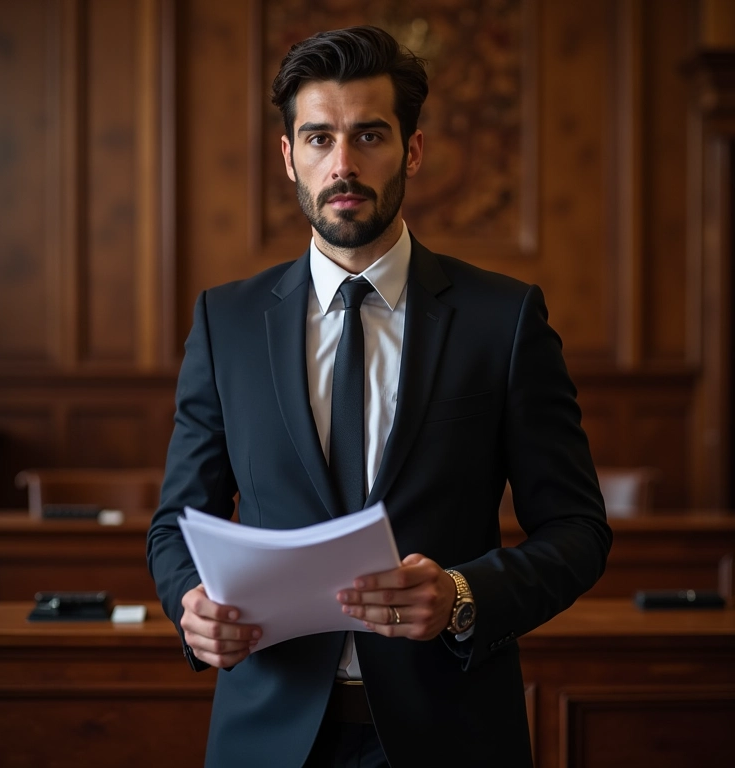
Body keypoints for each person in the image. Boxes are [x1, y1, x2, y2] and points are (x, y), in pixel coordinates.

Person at [147, 24, 612, 768]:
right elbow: (176, 522)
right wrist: (190, 607)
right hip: (268, 732)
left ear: (413, 150)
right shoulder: (225, 323)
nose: (343, 164)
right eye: (320, 138)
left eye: (368, 135)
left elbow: (579, 531)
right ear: (288, 155)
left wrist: (464, 595)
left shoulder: (505, 319)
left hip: (453, 733)